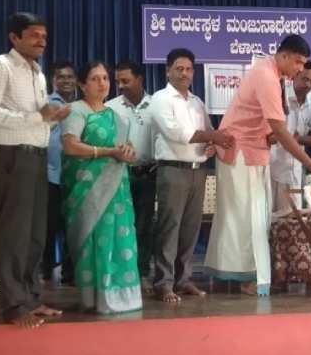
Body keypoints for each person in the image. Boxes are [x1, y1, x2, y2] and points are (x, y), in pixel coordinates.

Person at [205, 35, 311, 296]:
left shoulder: (272, 74)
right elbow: (279, 129)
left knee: (246, 217)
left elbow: (270, 129)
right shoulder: (266, 76)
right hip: (241, 155)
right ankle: (247, 278)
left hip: (250, 153)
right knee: (246, 219)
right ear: (283, 56)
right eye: (298, 62)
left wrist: (273, 136)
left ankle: (236, 276)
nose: (300, 69)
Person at [0, 12, 70, 328]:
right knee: (15, 234)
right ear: (14, 37)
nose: (41, 41)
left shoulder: (37, 72)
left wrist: (51, 119)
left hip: (37, 157)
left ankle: (31, 298)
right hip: (13, 157)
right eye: (34, 35)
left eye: (44, 36)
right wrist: (37, 118)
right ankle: (13, 304)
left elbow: (40, 117)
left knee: (35, 235)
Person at [150, 48, 233, 304]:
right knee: (169, 228)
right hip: (173, 170)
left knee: (190, 229)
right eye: (179, 68)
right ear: (168, 71)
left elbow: (208, 131)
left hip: (199, 172)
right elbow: (177, 133)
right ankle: (163, 283)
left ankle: (183, 280)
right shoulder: (161, 99)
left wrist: (212, 145)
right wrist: (213, 137)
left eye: (188, 69)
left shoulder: (197, 102)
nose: (184, 73)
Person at [61, 61, 142, 314]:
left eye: (105, 78)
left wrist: (128, 153)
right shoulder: (76, 110)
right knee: (93, 241)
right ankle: (93, 298)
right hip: (87, 193)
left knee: (119, 239)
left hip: (117, 193)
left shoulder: (117, 117)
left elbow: (129, 152)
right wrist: (108, 152)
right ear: (82, 84)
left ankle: (122, 297)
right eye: (94, 78)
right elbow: (70, 146)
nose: (102, 83)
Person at [106, 60, 156, 294]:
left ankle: (142, 273)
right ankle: (120, 274)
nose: (121, 86)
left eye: (126, 81)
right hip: (120, 174)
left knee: (144, 227)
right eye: (118, 81)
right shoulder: (111, 107)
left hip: (149, 175)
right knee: (120, 226)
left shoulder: (156, 105)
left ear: (140, 79)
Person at [270, 60, 311, 212]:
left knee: (292, 219)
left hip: (294, 171)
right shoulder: (279, 97)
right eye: (304, 79)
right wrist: (283, 137)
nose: (308, 85)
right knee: (267, 218)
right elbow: (269, 136)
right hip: (271, 168)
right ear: (294, 76)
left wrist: (297, 139)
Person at [43, 60, 77, 285]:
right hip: (51, 176)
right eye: (60, 77)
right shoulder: (46, 104)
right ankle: (46, 272)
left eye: (69, 76)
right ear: (53, 80)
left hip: (76, 176)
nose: (65, 80)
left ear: (76, 80)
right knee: (49, 227)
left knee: (73, 227)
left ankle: (70, 273)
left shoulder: (81, 106)